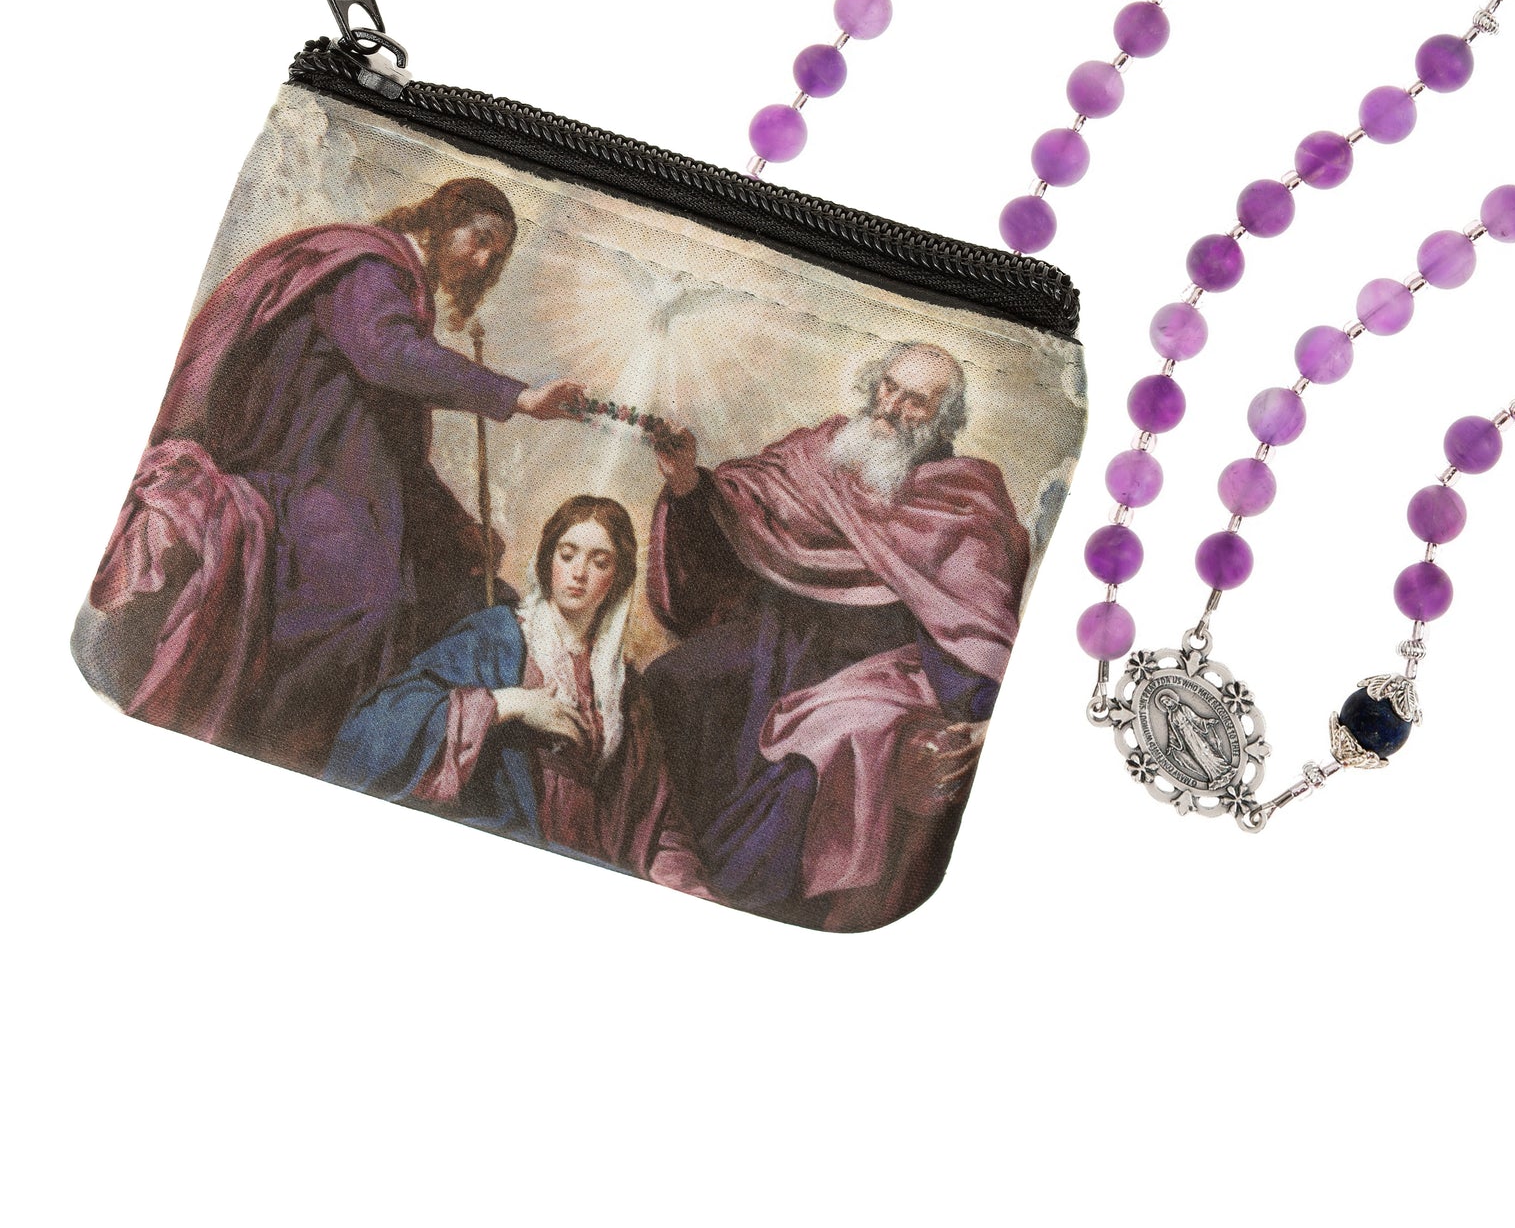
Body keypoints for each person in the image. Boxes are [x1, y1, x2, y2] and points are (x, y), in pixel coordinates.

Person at [80, 178, 586, 773]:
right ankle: (267, 743)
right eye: (478, 240)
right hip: (295, 473)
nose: (481, 262)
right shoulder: (370, 268)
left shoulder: (403, 293)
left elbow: (397, 446)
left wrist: (455, 524)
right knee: (367, 600)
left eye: (494, 256)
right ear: (443, 221)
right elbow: (389, 356)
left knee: (453, 583)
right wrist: (518, 397)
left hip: (345, 481)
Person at [640, 342, 1030, 930]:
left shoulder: (963, 497)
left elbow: (970, 618)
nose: (892, 406)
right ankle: (674, 852)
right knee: (674, 679)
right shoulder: (821, 448)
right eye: (889, 387)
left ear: (944, 420)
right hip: (776, 633)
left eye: (916, 401)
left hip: (872, 661)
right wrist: (689, 483)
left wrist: (984, 712)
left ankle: (753, 906)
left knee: (807, 763)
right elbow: (739, 508)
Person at [322, 495, 662, 870]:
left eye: (599, 562)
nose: (579, 572)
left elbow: (657, 818)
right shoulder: (496, 636)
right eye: (567, 555)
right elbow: (373, 727)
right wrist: (507, 704)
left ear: (618, 578)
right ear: (548, 559)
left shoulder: (621, 685)